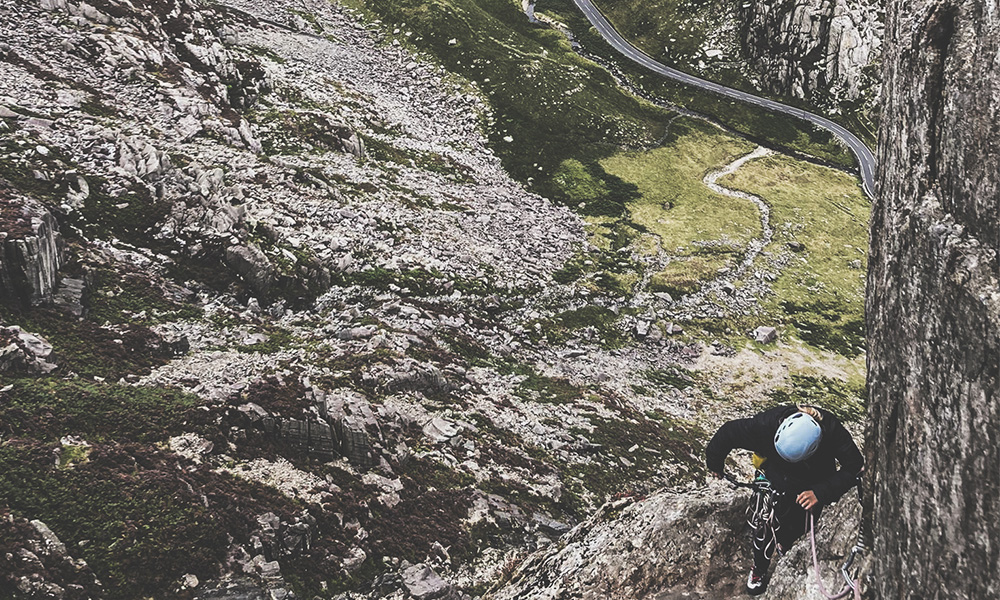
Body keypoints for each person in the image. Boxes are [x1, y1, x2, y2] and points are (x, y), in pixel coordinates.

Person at [705, 405, 863, 595]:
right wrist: (714, 462)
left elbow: (854, 466)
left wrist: (820, 492)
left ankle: (786, 545)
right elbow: (729, 433)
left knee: (798, 527)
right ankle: (759, 568)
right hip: (775, 477)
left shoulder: (831, 430)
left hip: (813, 482)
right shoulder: (766, 425)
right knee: (764, 524)